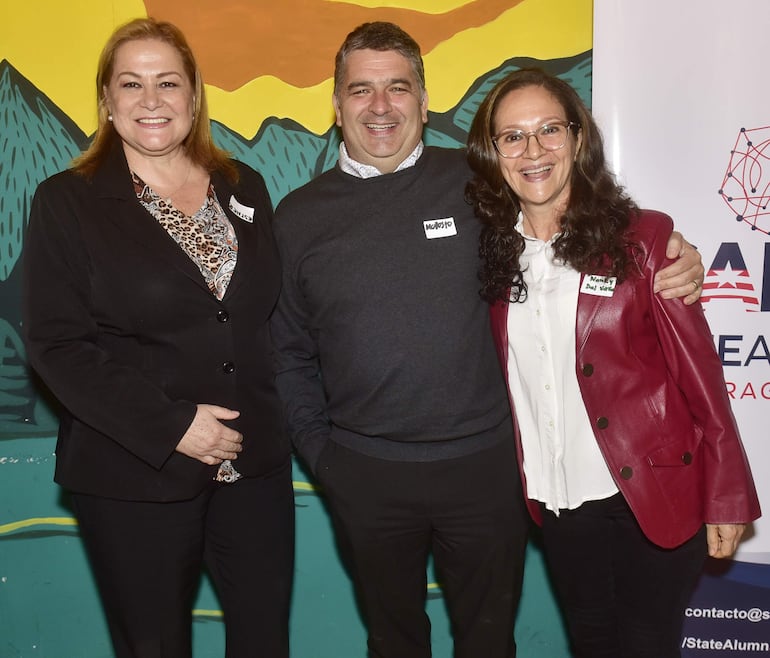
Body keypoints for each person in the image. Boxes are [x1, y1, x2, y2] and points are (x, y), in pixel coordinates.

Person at [270, 22, 705, 658]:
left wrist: (668, 241)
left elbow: (578, 207)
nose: (381, 106)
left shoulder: (483, 185)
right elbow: (288, 353)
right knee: (393, 640)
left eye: (398, 87)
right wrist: (325, 458)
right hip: (366, 474)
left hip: (488, 469)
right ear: (336, 105)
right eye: (361, 90)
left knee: (488, 641)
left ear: (424, 99)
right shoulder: (297, 216)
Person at [465, 67, 761, 658]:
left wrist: (727, 493)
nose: (533, 150)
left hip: (652, 492)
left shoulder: (643, 241)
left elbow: (701, 378)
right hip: (561, 501)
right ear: (493, 153)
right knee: (593, 643)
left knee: (646, 647)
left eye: (550, 129)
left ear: (578, 138)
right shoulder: (491, 250)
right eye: (513, 136)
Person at [22, 18, 293, 658]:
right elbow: (57, 346)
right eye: (132, 84)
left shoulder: (242, 185)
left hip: (253, 470)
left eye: (168, 83)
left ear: (194, 97)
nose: (152, 100)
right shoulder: (68, 201)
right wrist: (172, 425)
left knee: (264, 643)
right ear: (107, 103)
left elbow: (260, 317)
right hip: (133, 471)